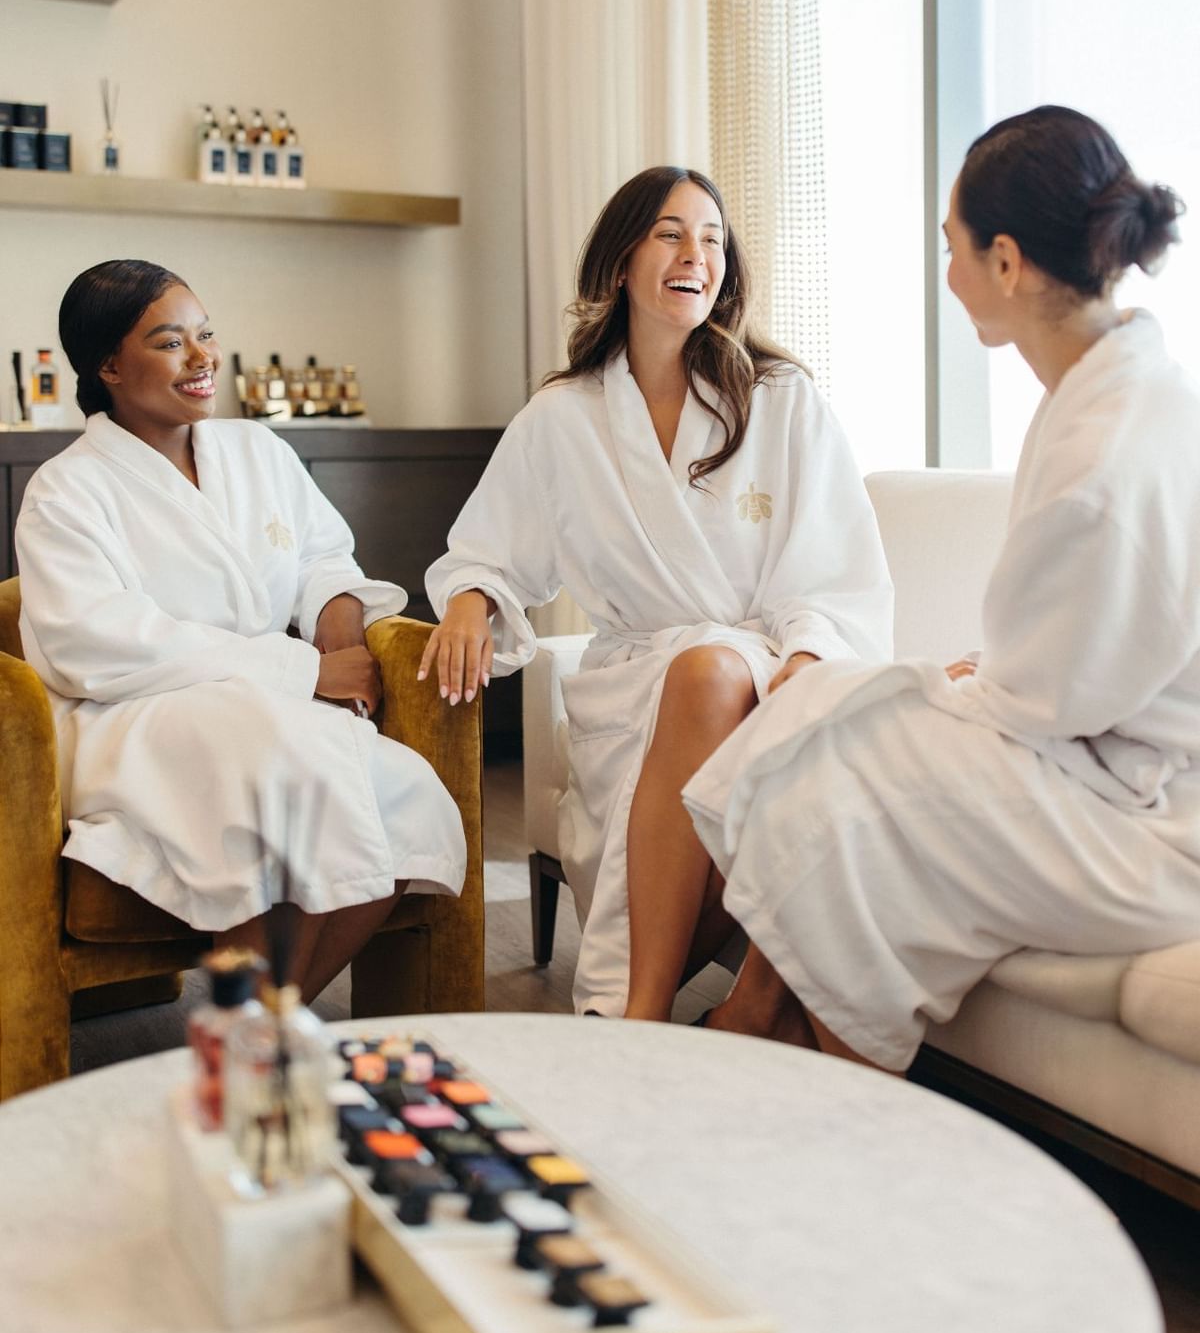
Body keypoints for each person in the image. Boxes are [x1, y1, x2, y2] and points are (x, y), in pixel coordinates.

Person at [683, 105, 1200, 1069]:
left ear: (1005, 262)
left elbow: (1046, 701)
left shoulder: (1109, 452)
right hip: (1104, 758)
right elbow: (1070, 661)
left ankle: (792, 1050)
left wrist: (963, 685)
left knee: (840, 760)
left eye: (950, 246)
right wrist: (969, 680)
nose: (948, 274)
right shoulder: (1116, 389)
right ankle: (769, 1028)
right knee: (833, 722)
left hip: (1150, 825)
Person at [423, 167, 893, 1018]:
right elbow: (489, 550)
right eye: (670, 235)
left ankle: (638, 1012)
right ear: (620, 263)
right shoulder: (563, 417)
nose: (694, 256)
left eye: (712, 240)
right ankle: (678, 1011)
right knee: (696, 672)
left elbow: (836, 572)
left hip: (763, 671)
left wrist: (807, 658)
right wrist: (469, 599)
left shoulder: (780, 400)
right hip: (633, 682)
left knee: (709, 669)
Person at [16, 260, 466, 1002]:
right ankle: (257, 1035)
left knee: (406, 793)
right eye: (171, 343)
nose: (203, 359)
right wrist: (302, 672)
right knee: (268, 773)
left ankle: (259, 1027)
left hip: (271, 712)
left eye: (206, 334)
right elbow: (90, 639)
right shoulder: (66, 489)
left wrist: (344, 642)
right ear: (108, 367)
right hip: (131, 715)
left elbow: (324, 558)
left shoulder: (258, 451)